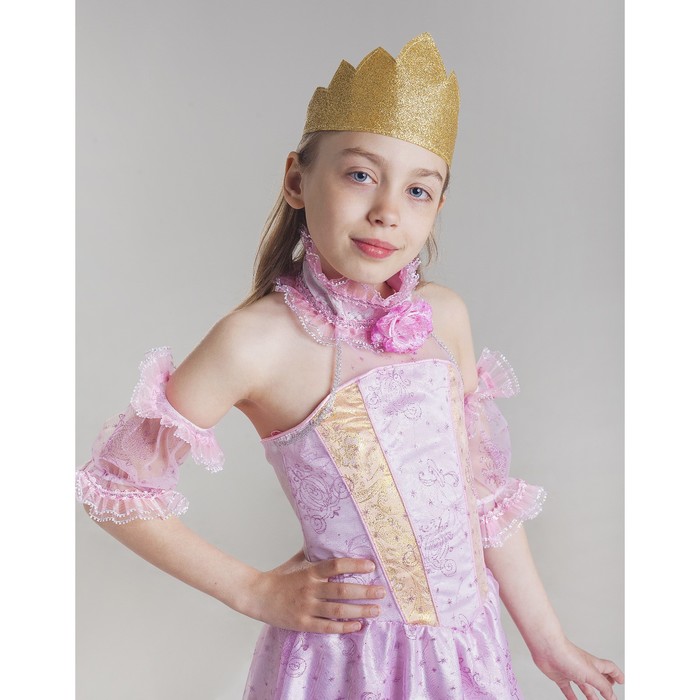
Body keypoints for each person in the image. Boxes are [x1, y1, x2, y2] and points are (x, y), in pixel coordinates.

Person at [76, 33, 623, 700]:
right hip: (346, 664)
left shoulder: (444, 316)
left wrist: (549, 644)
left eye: (418, 190)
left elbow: (480, 497)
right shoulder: (257, 342)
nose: (387, 211)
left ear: (438, 207)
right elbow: (116, 488)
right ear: (296, 180)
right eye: (361, 175)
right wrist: (252, 590)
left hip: (467, 654)